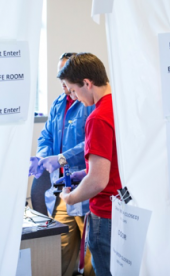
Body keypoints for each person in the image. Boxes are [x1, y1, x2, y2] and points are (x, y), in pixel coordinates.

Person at [29, 52, 95, 276]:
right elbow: (46, 135)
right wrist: (42, 157)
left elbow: (90, 143)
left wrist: (60, 158)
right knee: (59, 247)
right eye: (60, 77)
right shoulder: (59, 103)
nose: (62, 83)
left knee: (90, 256)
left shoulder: (88, 102)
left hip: (86, 187)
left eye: (65, 78)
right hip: (63, 189)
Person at [57, 53, 122, 276]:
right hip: (122, 208)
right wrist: (83, 173)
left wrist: (70, 198)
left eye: (73, 90)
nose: (73, 97)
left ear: (87, 83)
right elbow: (111, 163)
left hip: (105, 214)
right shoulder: (120, 105)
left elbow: (97, 180)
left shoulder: (97, 117)